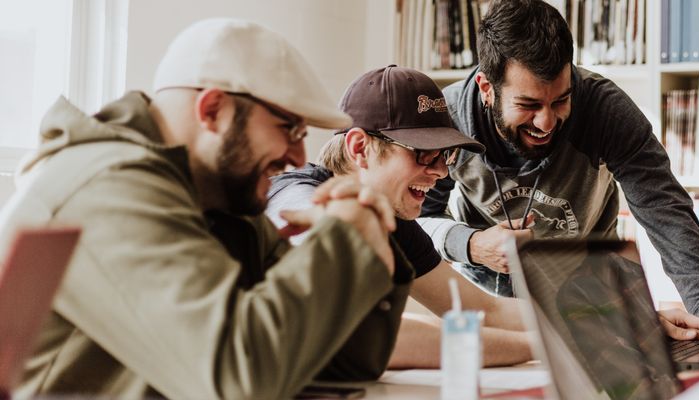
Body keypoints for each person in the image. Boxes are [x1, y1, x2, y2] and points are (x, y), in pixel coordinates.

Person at [0, 19, 411, 399]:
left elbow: (339, 365)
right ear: (212, 110)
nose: (299, 156)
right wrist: (343, 240)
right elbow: (237, 380)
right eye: (289, 128)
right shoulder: (108, 188)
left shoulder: (219, 199)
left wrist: (371, 243)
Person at [267, 66, 699, 368]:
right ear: (360, 148)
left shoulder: (394, 221)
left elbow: (481, 309)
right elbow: (366, 335)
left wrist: (622, 321)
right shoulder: (298, 201)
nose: (442, 171)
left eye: (445, 156)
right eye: (424, 154)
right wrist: (567, 345)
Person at [418, 0, 699, 322]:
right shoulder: (448, 119)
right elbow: (418, 220)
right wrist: (472, 245)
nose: (546, 122)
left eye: (561, 100)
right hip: (488, 302)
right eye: (528, 104)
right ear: (487, 89)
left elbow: (666, 212)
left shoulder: (605, 110)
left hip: (590, 296)